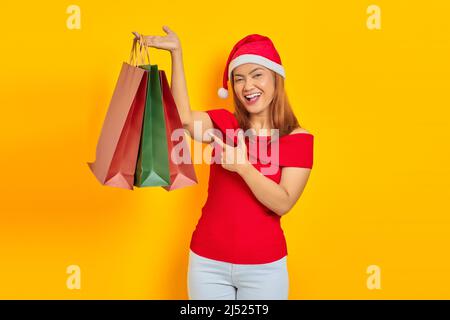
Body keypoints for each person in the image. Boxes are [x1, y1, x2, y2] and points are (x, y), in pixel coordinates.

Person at [138, 26, 314, 300]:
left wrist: (243, 167)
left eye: (257, 75)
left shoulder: (298, 139)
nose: (248, 86)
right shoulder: (225, 124)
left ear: (276, 79)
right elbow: (183, 120)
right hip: (207, 263)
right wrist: (176, 53)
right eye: (239, 78)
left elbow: (283, 202)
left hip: (264, 268)